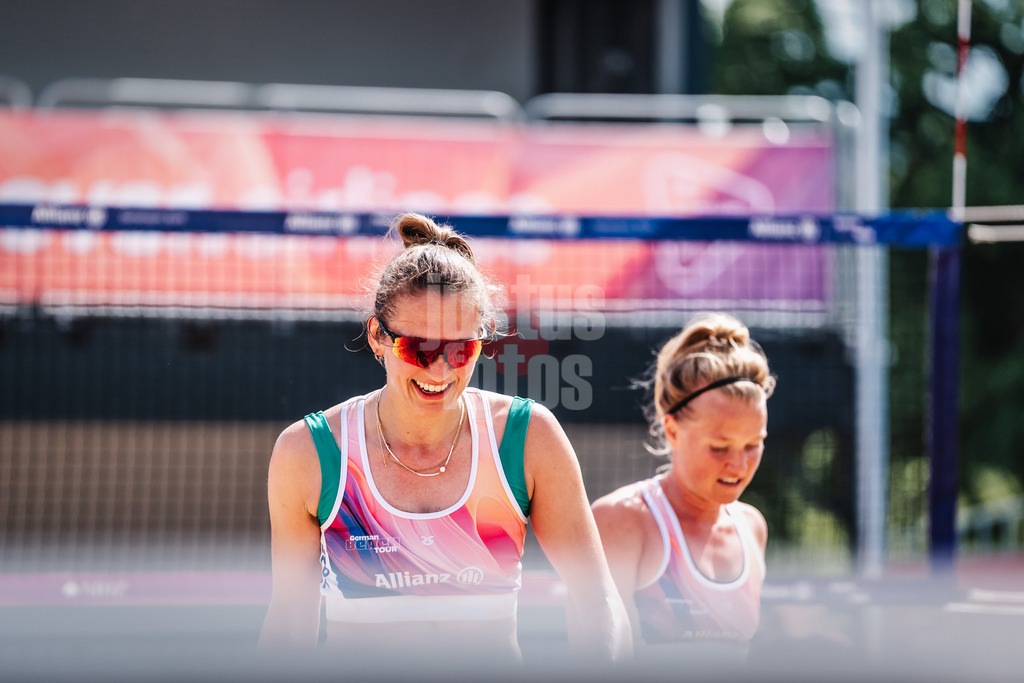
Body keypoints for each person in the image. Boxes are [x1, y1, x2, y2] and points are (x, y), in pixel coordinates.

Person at [258, 212, 631, 670]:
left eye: (460, 350)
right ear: (378, 336)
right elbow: (289, 629)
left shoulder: (527, 436)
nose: (440, 371)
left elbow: (598, 600)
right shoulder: (310, 451)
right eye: (420, 349)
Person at [591, 312, 774, 666]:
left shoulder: (752, 526)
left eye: (754, 444)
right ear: (672, 431)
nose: (739, 464)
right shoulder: (623, 520)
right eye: (719, 447)